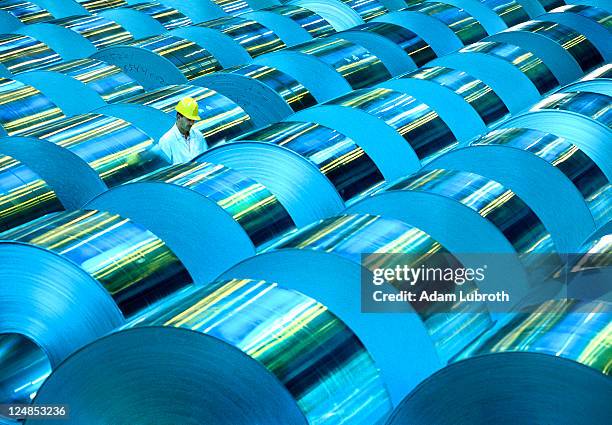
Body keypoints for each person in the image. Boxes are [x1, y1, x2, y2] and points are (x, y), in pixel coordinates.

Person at [158, 97, 208, 164]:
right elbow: (165, 170)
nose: (192, 123)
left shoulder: (198, 136)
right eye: (189, 119)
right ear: (178, 117)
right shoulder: (166, 141)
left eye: (193, 120)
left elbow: (205, 160)